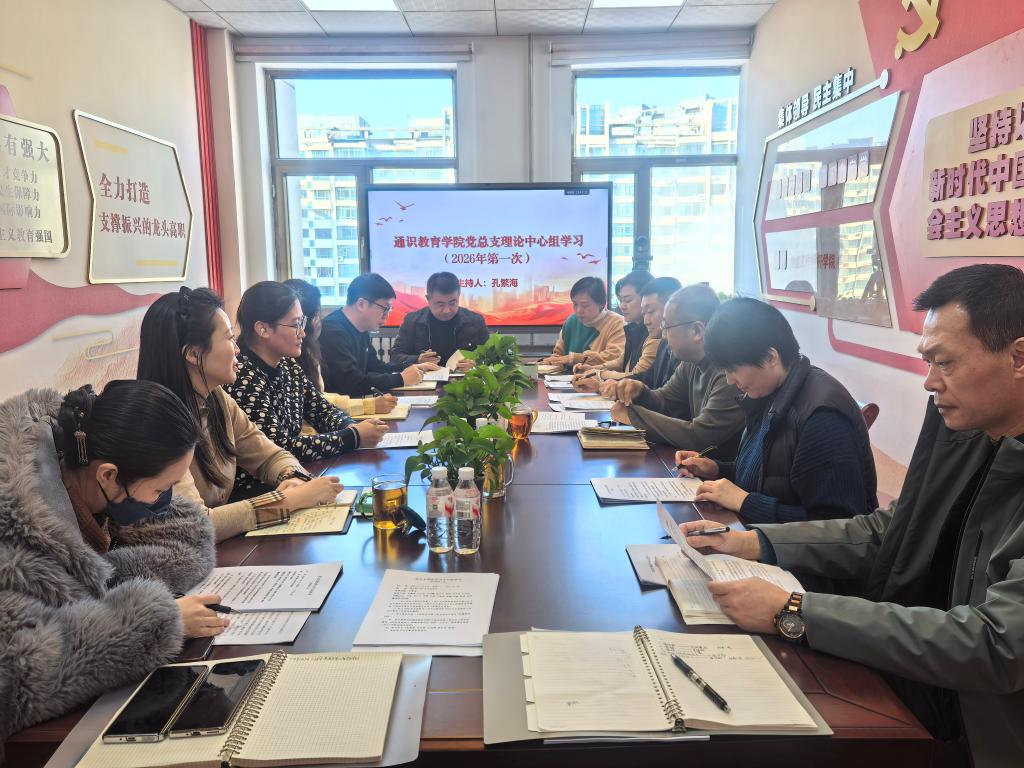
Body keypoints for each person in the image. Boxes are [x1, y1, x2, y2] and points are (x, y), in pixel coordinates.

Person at [678, 265, 1024, 767]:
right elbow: (890, 530)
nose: (929, 382)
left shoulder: (827, 411)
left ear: (1018, 357)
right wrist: (755, 542)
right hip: (913, 679)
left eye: (945, 363)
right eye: (927, 361)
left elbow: (997, 645)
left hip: (983, 734)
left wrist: (795, 612)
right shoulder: (967, 432)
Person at [0, 380, 225, 748]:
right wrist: (154, 623)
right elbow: (16, 678)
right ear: (108, 475)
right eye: (160, 489)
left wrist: (114, 590)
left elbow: (177, 538)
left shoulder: (82, 476)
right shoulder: (16, 535)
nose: (165, 501)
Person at [138, 286, 342, 542]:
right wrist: (286, 501)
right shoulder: (156, 423)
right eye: (229, 339)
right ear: (193, 353)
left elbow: (269, 455)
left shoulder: (216, 397)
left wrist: (291, 476)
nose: (237, 349)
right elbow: (196, 525)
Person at [675, 297, 876, 524]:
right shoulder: (767, 392)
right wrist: (716, 469)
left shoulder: (822, 417)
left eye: (733, 369)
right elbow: (769, 478)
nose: (729, 380)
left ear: (771, 357)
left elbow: (837, 525)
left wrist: (746, 502)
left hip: (788, 546)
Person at [226, 282, 389, 495]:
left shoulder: (287, 364)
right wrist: (353, 437)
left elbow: (322, 410)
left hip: (294, 478)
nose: (303, 333)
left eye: (302, 322)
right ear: (263, 329)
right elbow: (279, 447)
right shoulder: (242, 376)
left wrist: (352, 427)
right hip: (261, 490)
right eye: (295, 325)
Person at [609, 284, 745, 458]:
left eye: (667, 327)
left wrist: (633, 416)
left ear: (696, 331)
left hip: (720, 471)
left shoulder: (730, 373)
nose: (663, 335)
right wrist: (641, 392)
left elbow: (700, 436)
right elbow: (665, 401)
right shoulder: (691, 363)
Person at [319, 273, 438, 396]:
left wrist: (415, 366)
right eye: (385, 308)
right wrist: (401, 379)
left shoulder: (360, 328)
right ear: (361, 304)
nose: (387, 316)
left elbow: (376, 367)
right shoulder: (332, 331)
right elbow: (352, 383)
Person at [572, 270, 658, 392]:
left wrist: (599, 374)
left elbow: (636, 376)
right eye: (620, 300)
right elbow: (621, 361)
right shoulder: (634, 328)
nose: (622, 306)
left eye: (628, 300)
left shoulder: (654, 334)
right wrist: (594, 369)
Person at [389, 271, 490, 370]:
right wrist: (417, 359)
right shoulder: (412, 321)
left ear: (458, 296)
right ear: (428, 299)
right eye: (440, 304)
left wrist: (477, 365)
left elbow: (492, 357)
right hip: (423, 378)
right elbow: (395, 356)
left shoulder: (475, 321)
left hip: (464, 379)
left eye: (452, 303)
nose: (447, 310)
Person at [602, 276, 682, 399]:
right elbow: (645, 379)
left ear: (671, 309)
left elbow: (668, 403)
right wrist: (601, 383)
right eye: (644, 313)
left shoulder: (685, 353)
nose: (646, 321)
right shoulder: (663, 344)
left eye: (651, 312)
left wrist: (600, 375)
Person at [542, 276, 625, 368]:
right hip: (565, 376)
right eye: (575, 304)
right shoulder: (571, 321)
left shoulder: (617, 323)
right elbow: (558, 354)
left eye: (585, 305)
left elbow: (615, 357)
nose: (578, 310)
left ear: (601, 304)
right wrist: (551, 362)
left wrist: (575, 358)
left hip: (599, 376)